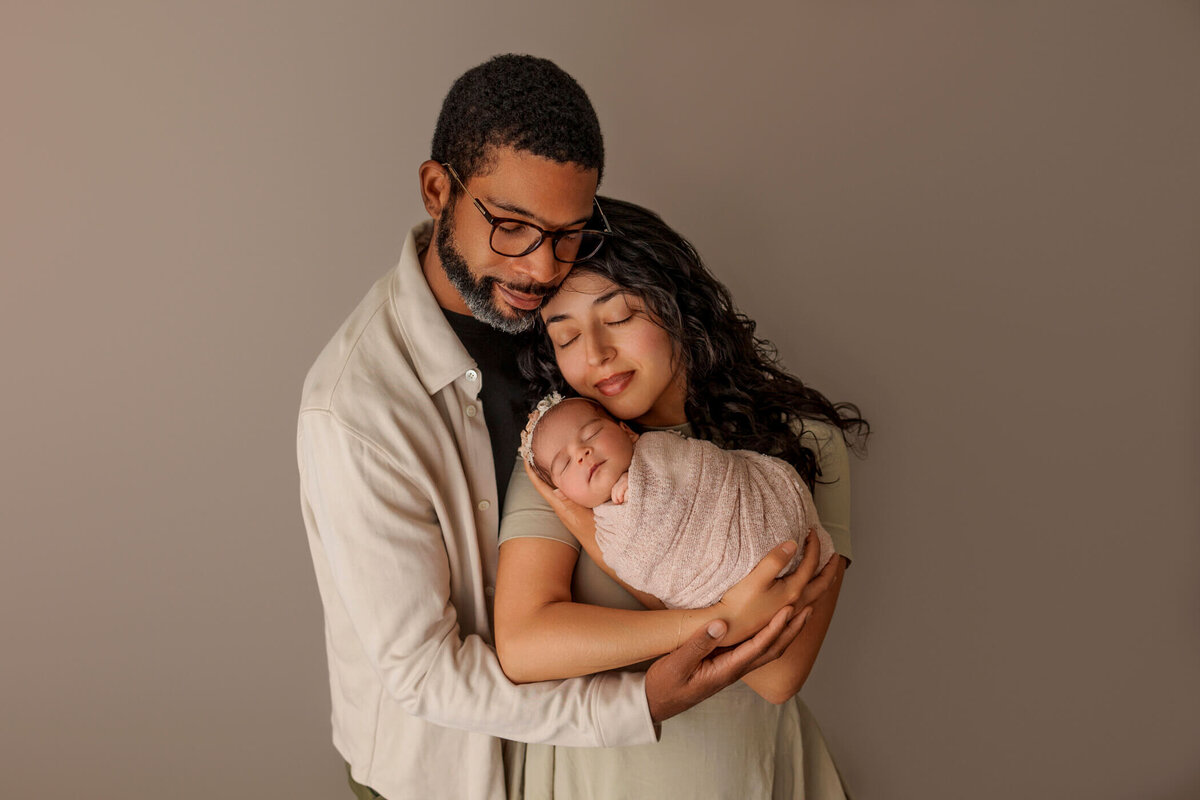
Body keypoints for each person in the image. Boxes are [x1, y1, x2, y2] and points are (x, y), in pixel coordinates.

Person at [297, 55, 829, 800]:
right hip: (450, 773)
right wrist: (656, 685)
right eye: (512, 227)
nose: (543, 268)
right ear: (437, 190)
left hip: (582, 765)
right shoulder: (356, 412)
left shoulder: (561, 323)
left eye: (569, 233)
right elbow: (425, 673)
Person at [495, 197, 869, 798]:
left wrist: (588, 529)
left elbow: (777, 674)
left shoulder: (804, 444)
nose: (594, 356)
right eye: (565, 336)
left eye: (618, 318)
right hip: (599, 780)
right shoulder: (566, 456)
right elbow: (523, 645)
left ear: (677, 307)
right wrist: (714, 623)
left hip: (748, 774)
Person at [519, 392, 835, 609]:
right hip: (715, 590)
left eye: (590, 434)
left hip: (763, 522)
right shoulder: (608, 533)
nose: (582, 454)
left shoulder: (660, 450)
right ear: (565, 494)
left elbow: (705, 473)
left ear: (627, 432)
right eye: (564, 464)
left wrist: (641, 483)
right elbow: (642, 570)